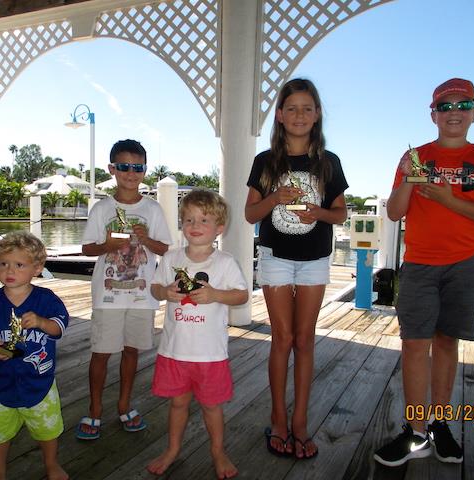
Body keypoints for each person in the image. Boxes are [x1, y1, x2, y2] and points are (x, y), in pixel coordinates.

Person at [374, 78, 474, 467]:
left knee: (447, 342)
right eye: (445, 106)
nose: (454, 113)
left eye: (463, 105)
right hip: (419, 264)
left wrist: (449, 199)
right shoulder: (415, 157)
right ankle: (415, 431)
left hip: (466, 264)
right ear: (433, 114)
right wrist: (408, 178)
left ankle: (440, 424)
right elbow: (395, 212)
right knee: (414, 344)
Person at [244, 78, 348, 459]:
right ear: (279, 115)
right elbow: (249, 214)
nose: (299, 115)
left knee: (305, 340)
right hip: (275, 258)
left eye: (307, 108)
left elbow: (340, 214)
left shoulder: (329, 162)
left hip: (315, 260)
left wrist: (318, 212)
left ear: (317, 114)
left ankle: (300, 421)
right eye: (292, 108)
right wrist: (275, 197)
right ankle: (278, 419)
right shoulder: (265, 162)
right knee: (282, 339)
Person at [146, 190, 248, 479]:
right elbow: (155, 288)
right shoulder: (170, 258)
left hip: (210, 354)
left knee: (211, 406)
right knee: (178, 403)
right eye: (189, 219)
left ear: (219, 228)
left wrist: (216, 295)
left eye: (204, 220)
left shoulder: (225, 262)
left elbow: (241, 295)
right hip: (174, 350)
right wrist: (165, 292)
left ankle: (218, 451)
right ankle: (172, 449)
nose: (195, 225)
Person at [76, 139, 172, 440]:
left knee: (132, 351)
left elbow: (164, 248)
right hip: (108, 296)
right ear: (112, 169)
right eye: (125, 166)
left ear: (145, 170)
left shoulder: (152, 209)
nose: (132, 173)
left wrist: (145, 240)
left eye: (138, 167)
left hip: (142, 297)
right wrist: (107, 245)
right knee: (101, 353)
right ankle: (94, 408)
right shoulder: (102, 208)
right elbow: (87, 248)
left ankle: (124, 404)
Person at [0, 231, 69, 480]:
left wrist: (42, 322)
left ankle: (51, 464)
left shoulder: (46, 300)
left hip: (39, 382)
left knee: (48, 429)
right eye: (3, 264)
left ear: (37, 268)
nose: (9, 270)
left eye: (19, 265)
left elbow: (59, 327)